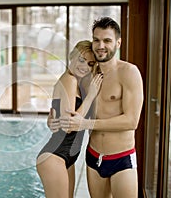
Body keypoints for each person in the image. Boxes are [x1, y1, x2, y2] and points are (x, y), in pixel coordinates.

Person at [57, 17, 144, 198]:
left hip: (122, 157)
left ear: (118, 43)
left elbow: (131, 121)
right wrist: (53, 117)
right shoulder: (87, 75)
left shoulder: (128, 72)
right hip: (94, 157)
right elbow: (70, 107)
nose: (100, 45)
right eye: (96, 40)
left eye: (107, 40)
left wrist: (86, 124)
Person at [36, 40, 103, 198]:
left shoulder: (76, 83)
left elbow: (58, 117)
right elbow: (68, 126)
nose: (84, 66)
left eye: (89, 63)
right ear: (71, 57)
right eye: (81, 60)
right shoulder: (69, 80)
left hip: (66, 156)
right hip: (55, 155)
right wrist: (91, 96)